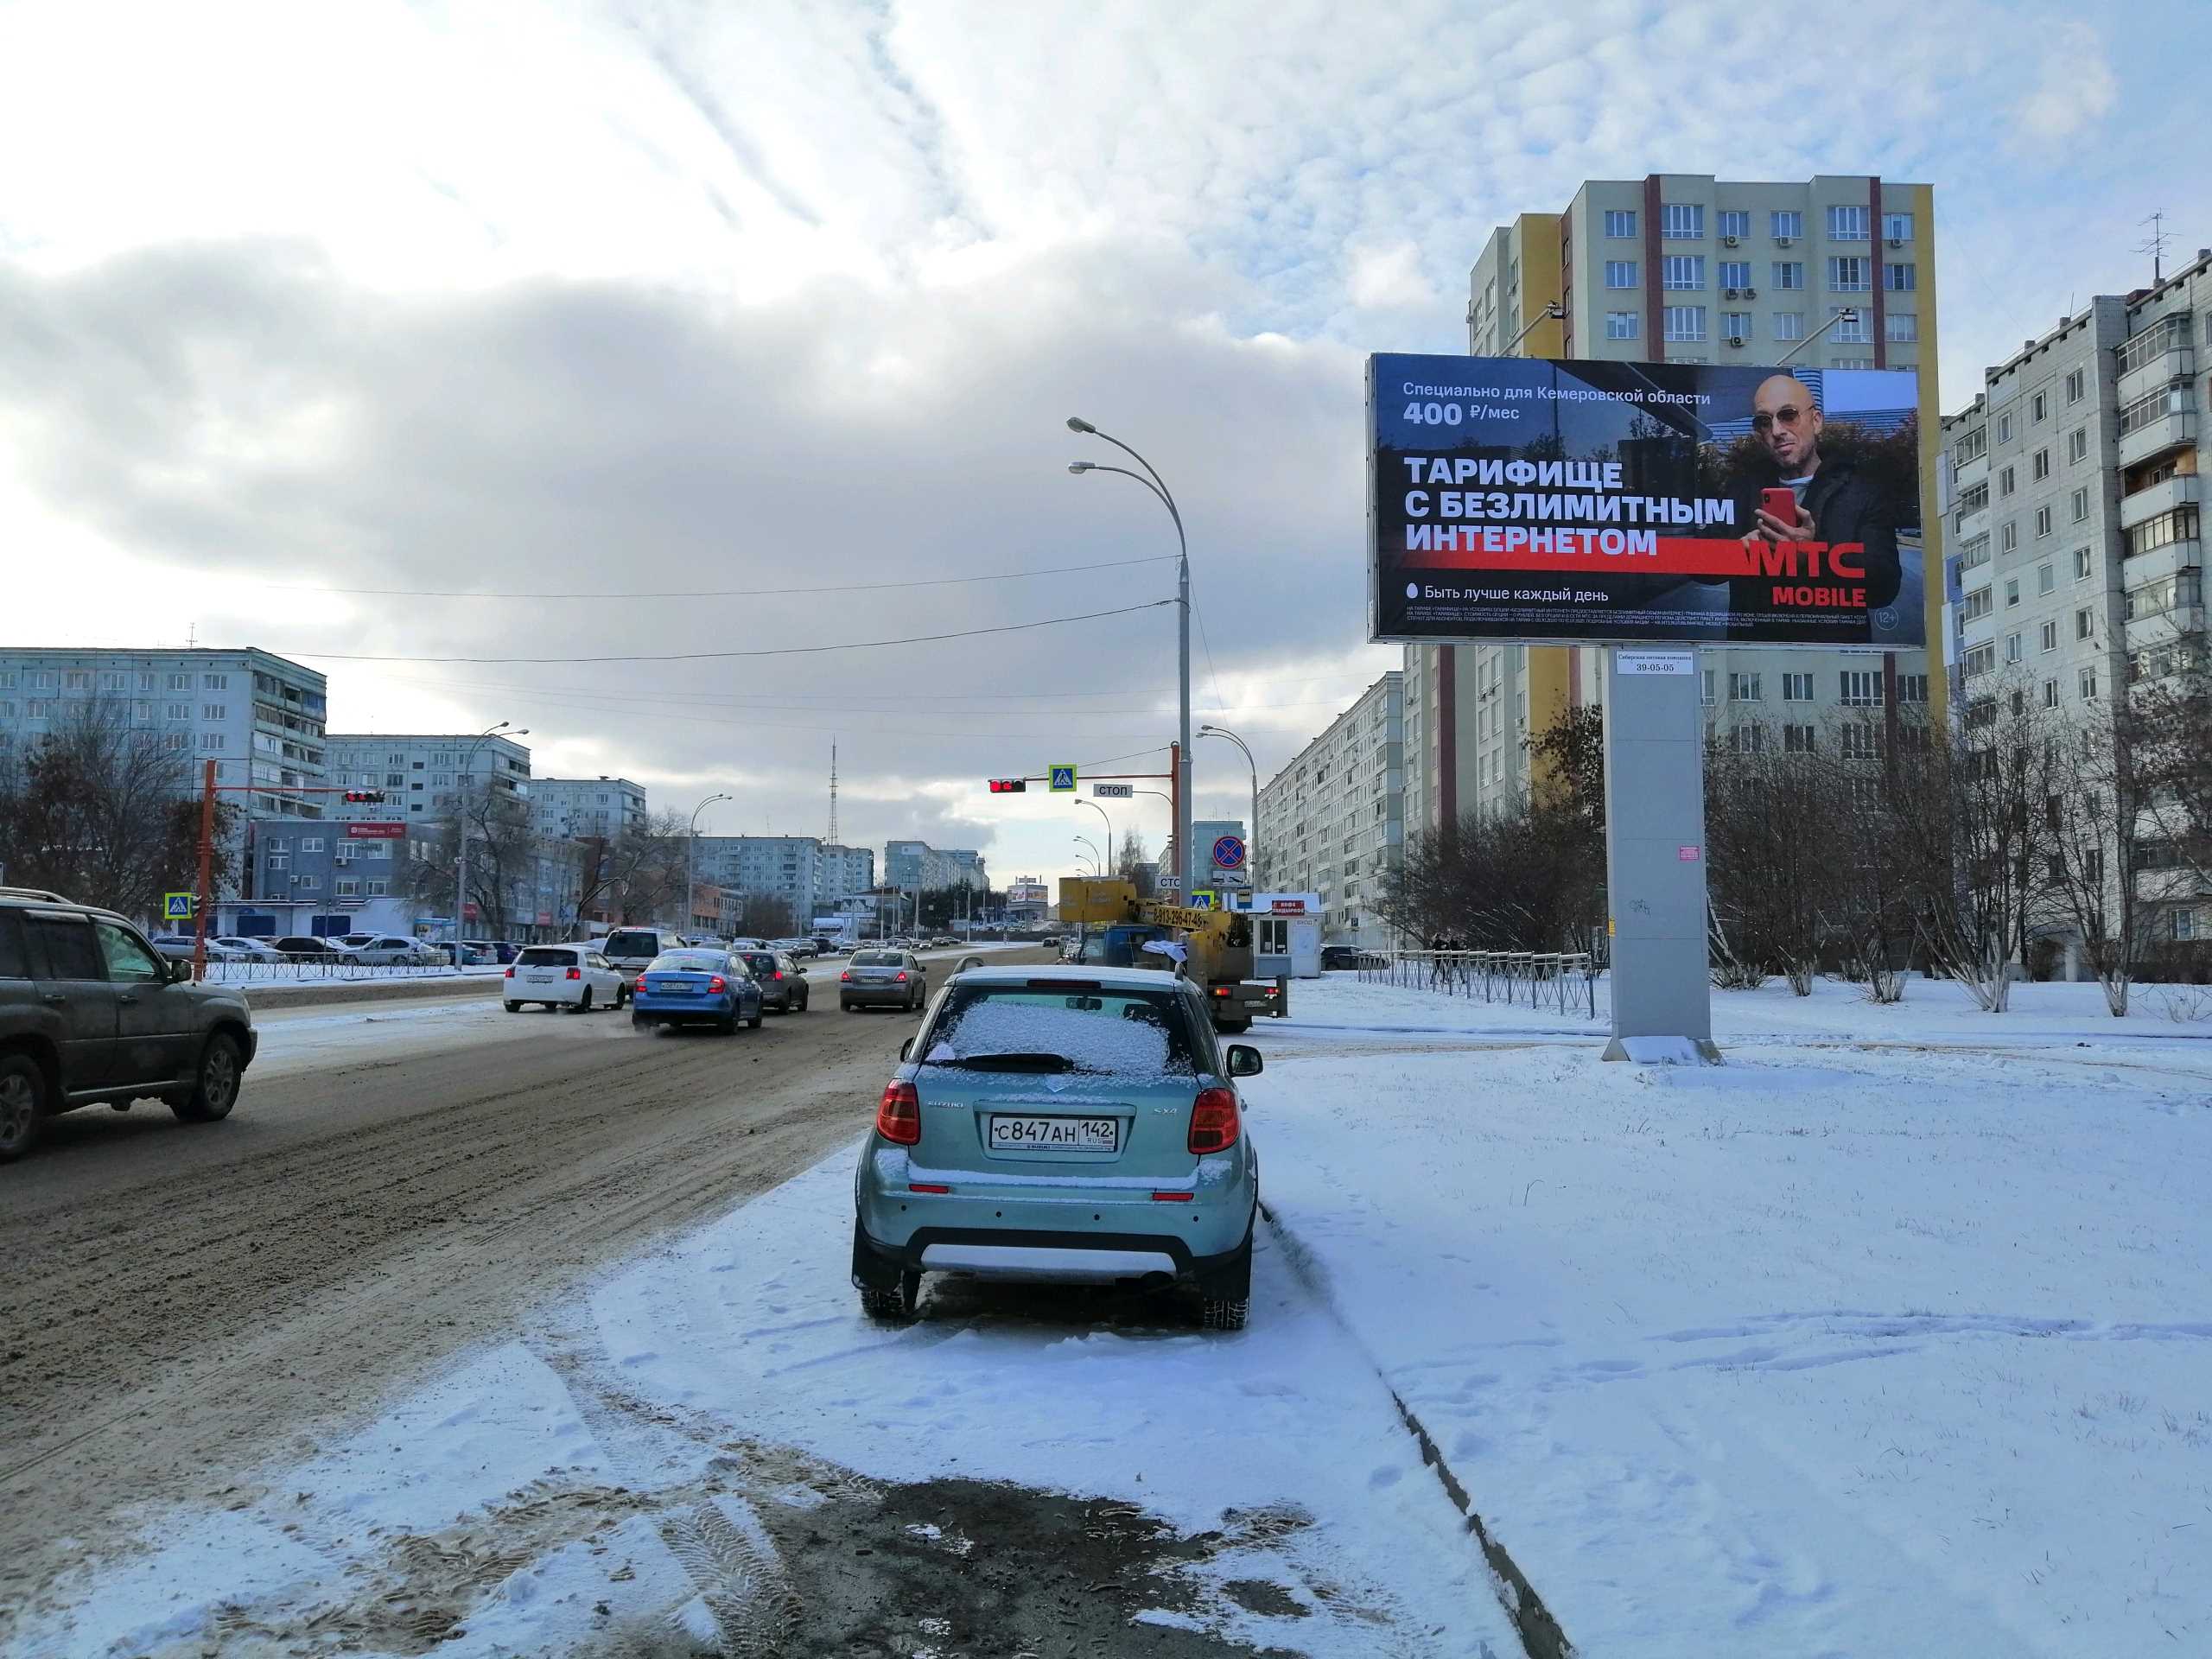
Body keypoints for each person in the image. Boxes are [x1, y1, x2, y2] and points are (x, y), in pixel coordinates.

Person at [1737, 373, 1902, 612]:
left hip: (1831, 646)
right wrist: (1737, 553)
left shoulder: (1862, 492)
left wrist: (1812, 555)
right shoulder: (1741, 490)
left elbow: (1884, 588)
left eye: (1788, 415)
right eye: (1764, 421)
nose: (1776, 430)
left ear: (1816, 421)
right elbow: (1699, 570)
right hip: (1748, 645)